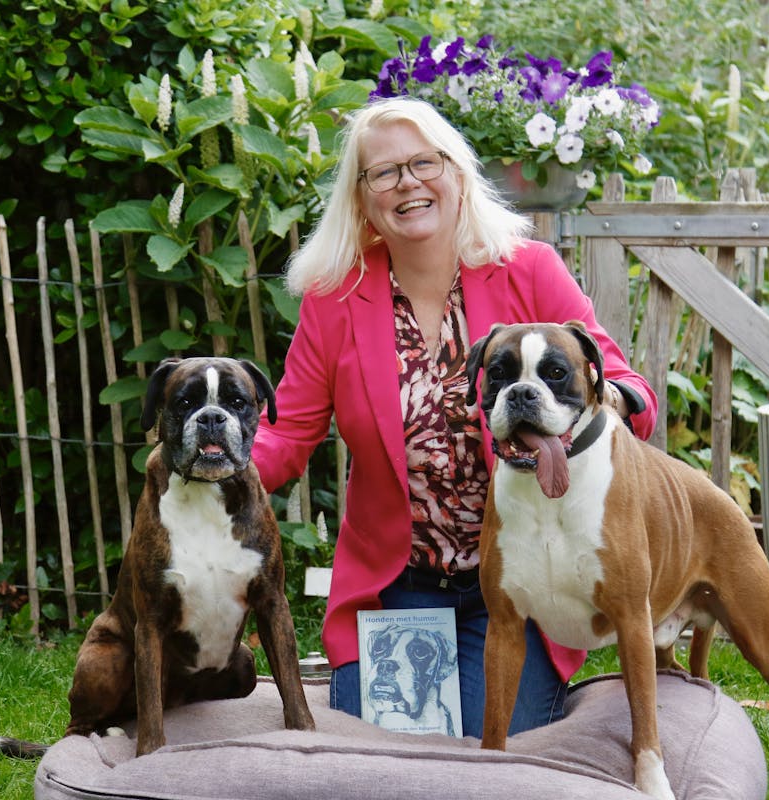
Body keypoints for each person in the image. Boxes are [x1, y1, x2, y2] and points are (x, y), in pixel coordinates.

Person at [251, 96, 657, 738]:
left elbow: (623, 383)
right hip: (397, 588)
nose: (407, 182)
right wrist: (213, 466)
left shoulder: (529, 270)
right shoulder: (334, 301)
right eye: (384, 172)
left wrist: (617, 404)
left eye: (424, 163)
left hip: (524, 579)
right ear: (361, 199)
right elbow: (287, 431)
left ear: (457, 173)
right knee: (388, 756)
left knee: (490, 748)